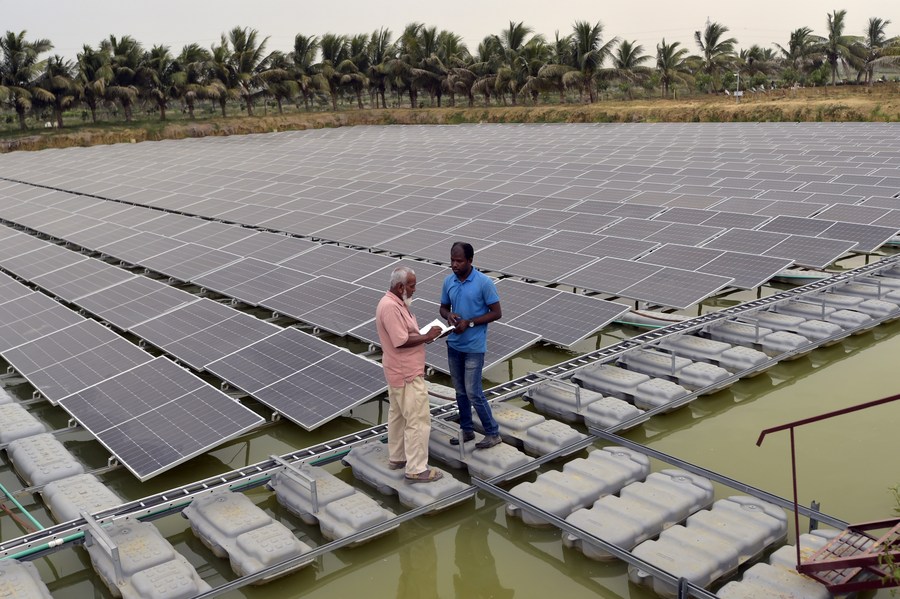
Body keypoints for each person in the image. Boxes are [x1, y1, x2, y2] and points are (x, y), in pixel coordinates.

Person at [375, 266, 444, 483]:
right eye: (412, 285)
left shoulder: (397, 304)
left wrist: (424, 336)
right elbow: (401, 340)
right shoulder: (390, 307)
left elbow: (405, 335)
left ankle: (398, 457)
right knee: (417, 419)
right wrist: (427, 336)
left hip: (398, 371)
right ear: (400, 286)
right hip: (406, 373)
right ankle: (416, 468)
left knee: (398, 414)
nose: (415, 289)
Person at [439, 242, 503, 449]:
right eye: (452, 260)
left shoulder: (484, 283)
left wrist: (470, 322)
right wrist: (449, 315)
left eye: (459, 261)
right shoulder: (449, 281)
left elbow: (496, 312)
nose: (454, 264)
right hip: (454, 344)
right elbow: (443, 307)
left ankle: (493, 433)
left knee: (473, 391)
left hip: (474, 347)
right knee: (459, 391)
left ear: (470, 261)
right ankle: (467, 430)